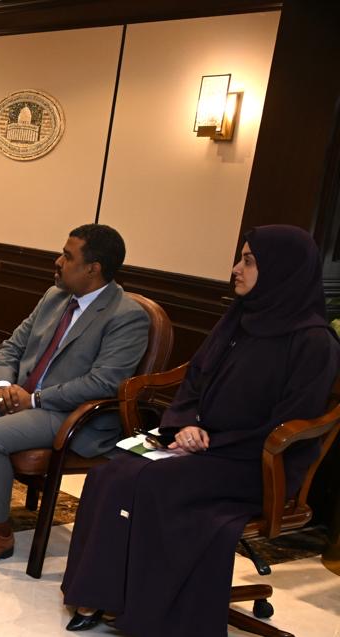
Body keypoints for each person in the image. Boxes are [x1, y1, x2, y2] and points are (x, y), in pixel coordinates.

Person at [60, 225, 339, 636]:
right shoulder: (241, 317)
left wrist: (212, 442)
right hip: (202, 444)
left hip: (257, 462)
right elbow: (195, 379)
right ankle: (102, 594)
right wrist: (186, 424)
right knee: (110, 472)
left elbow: (290, 421)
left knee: (152, 482)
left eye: (248, 261)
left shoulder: (313, 341)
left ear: (282, 269)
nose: (235, 268)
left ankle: (144, 607)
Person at [0, 224, 150, 567]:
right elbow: (11, 346)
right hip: (21, 395)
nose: (58, 261)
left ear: (93, 268)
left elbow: (103, 382)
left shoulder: (127, 316)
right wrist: (2, 385)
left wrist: (36, 399)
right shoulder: (55, 297)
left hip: (70, 413)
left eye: (67, 256)